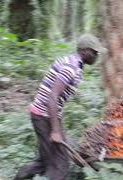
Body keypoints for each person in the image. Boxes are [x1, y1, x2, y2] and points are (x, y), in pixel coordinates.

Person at [14, 34, 106, 180]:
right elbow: (53, 96)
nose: (96, 56)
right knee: (60, 164)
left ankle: (20, 177)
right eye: (94, 52)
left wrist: (57, 127)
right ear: (84, 51)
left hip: (45, 115)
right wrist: (56, 131)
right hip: (44, 116)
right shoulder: (71, 67)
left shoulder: (72, 63)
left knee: (45, 160)